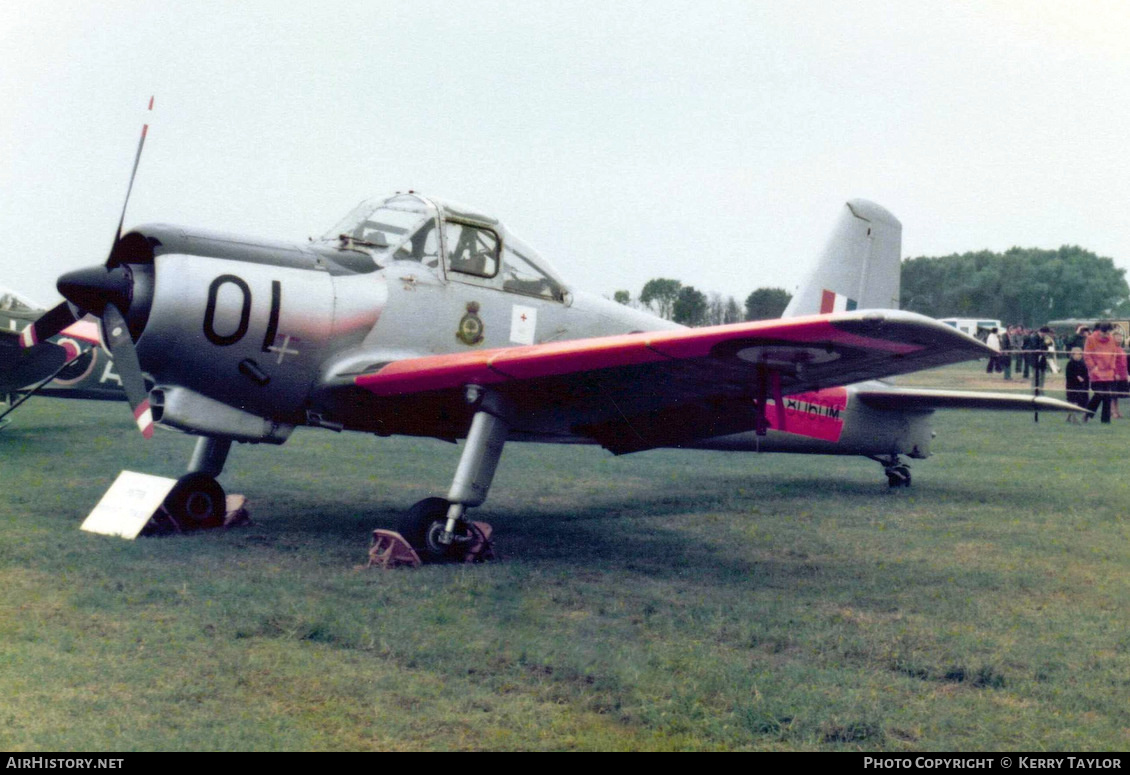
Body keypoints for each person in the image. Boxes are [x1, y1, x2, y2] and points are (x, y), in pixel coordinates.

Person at [1084, 321, 1121, 423]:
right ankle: (1087, 413)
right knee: (1099, 394)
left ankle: (1105, 420)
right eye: (1105, 333)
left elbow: (1114, 354)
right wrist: (1093, 367)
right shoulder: (1091, 339)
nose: (1106, 335)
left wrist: (1113, 368)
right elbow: (1087, 355)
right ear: (1100, 331)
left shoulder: (1112, 340)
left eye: (1108, 333)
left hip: (1108, 372)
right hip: (1096, 372)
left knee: (1107, 396)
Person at [1064, 347, 1089, 423]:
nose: (1078, 356)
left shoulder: (1083, 364)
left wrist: (1085, 381)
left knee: (1084, 402)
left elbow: (1086, 374)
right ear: (1072, 355)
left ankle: (1084, 416)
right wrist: (1076, 377)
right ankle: (1074, 418)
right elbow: (1068, 375)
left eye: (1080, 354)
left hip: (1082, 386)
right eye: (1076, 354)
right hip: (1073, 386)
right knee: (1073, 402)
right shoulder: (1070, 364)